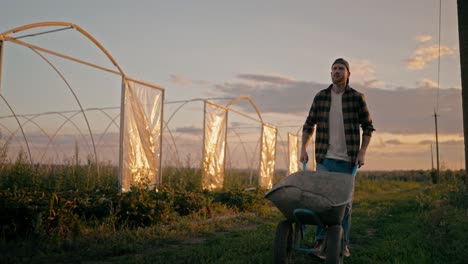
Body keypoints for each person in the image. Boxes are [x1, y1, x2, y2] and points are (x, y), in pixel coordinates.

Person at [300, 58, 375, 258]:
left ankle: (342, 243)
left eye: (341, 68)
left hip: (347, 160)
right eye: (334, 68)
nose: (337, 71)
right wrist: (303, 148)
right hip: (324, 158)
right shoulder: (321, 97)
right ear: (330, 73)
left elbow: (368, 127)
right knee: (321, 201)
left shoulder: (357, 98)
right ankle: (321, 241)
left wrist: (362, 151)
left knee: (343, 205)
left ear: (348, 74)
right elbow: (309, 124)